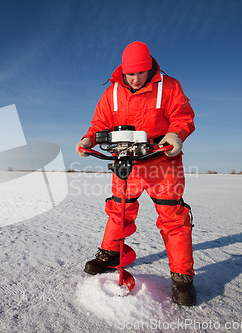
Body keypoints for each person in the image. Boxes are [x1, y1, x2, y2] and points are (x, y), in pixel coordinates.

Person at [76, 41, 196, 306]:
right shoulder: (113, 92)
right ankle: (110, 255)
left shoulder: (170, 86)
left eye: (140, 73)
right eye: (130, 74)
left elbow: (183, 115)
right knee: (118, 210)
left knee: (173, 217)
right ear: (123, 70)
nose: (134, 79)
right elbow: (99, 124)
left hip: (161, 161)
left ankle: (182, 277)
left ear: (149, 67)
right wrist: (88, 140)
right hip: (125, 161)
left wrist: (176, 135)